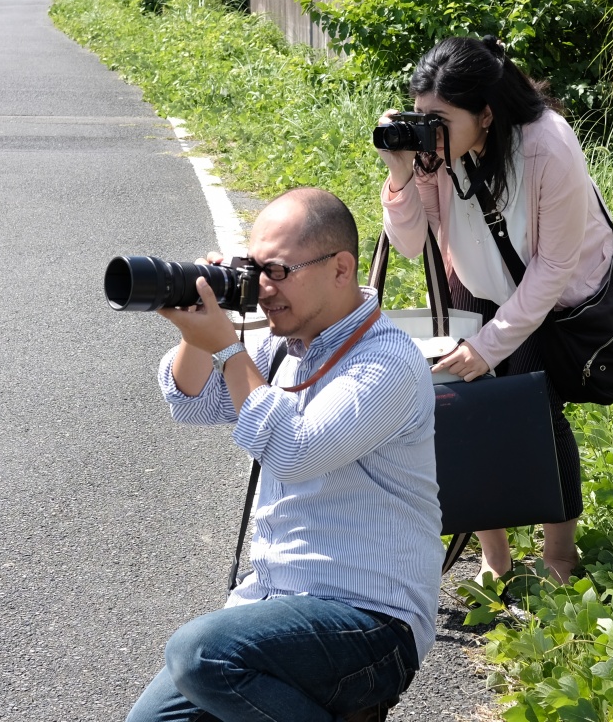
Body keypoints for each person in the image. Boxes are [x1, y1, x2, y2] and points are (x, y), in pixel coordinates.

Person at [127, 188, 443, 722]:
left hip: (372, 622)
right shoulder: (287, 348)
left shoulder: (387, 362)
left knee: (200, 653)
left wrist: (228, 348)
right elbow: (193, 403)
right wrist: (197, 327)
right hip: (274, 603)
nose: (262, 287)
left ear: (341, 268)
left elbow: (295, 450)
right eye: (254, 268)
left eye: (276, 270)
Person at [377, 36, 613, 585]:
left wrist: (487, 347)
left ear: (485, 114)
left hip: (538, 292)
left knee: (538, 415)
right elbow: (413, 244)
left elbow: (553, 268)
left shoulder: (547, 146)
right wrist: (400, 170)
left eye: (438, 117)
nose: (426, 129)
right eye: (418, 114)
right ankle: (495, 553)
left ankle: (559, 553)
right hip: (473, 279)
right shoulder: (436, 152)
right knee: (467, 413)